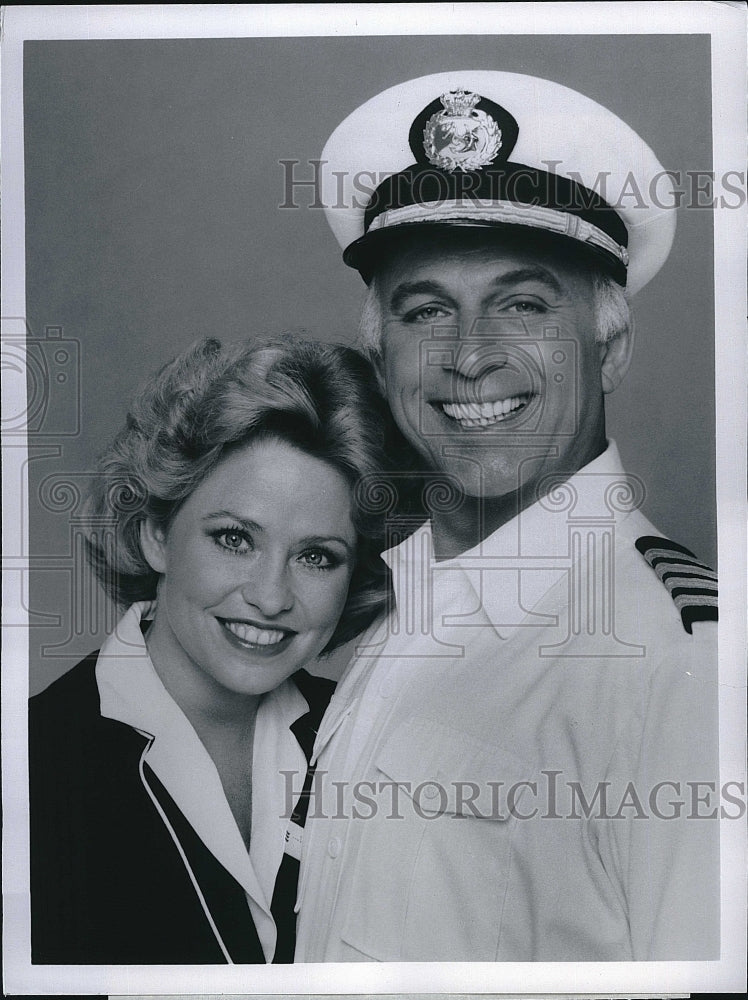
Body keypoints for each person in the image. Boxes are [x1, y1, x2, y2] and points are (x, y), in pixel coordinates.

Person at [294, 71, 720, 962]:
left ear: (611, 345)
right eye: (426, 311)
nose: (470, 356)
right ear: (381, 354)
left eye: (522, 305)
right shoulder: (391, 605)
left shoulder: (685, 664)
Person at [28, 335, 405, 964]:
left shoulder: (372, 742)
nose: (270, 596)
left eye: (316, 556)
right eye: (234, 539)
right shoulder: (33, 760)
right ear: (155, 535)